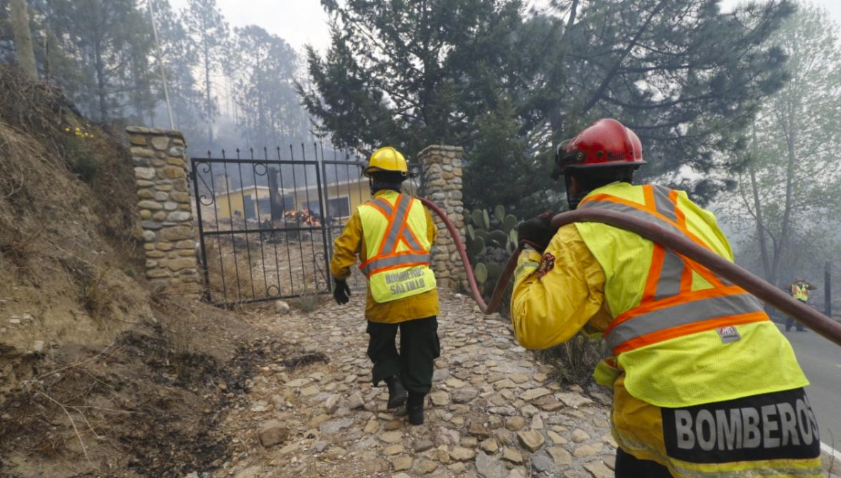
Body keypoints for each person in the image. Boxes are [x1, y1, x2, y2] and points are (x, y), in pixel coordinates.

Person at [511, 118, 821, 478]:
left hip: (680, 403)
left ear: (573, 180)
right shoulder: (686, 210)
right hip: (784, 398)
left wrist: (531, 253)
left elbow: (535, 326)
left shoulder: (582, 230)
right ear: (630, 172)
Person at [329, 146, 441, 425]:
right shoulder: (419, 207)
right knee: (421, 349)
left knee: (381, 344)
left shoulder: (363, 213)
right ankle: (415, 408)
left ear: (373, 180)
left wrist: (339, 279)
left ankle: (394, 384)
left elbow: (344, 251)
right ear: (402, 179)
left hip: (384, 297)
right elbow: (432, 236)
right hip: (421, 295)